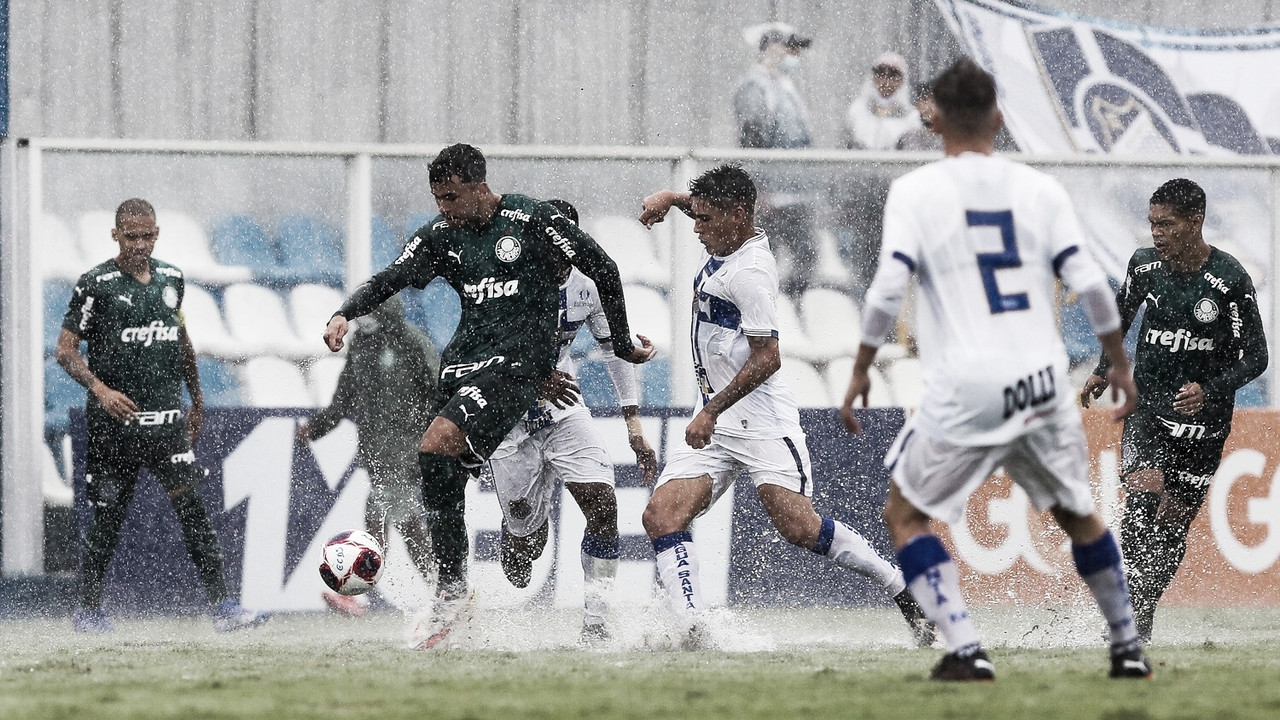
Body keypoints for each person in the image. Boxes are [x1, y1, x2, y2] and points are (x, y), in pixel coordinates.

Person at [841, 58, 1151, 682]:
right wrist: (1118, 361)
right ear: (1000, 118)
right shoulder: (1041, 190)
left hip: (967, 385)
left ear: (932, 122)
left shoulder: (916, 191)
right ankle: (1127, 646)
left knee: (904, 514)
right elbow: (1090, 281)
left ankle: (964, 647)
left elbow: (885, 290)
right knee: (1078, 513)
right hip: (1042, 381)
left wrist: (861, 369)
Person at [323, 144, 654, 650]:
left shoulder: (532, 219)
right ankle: (459, 585)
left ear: (480, 186)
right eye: (437, 198)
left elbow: (603, 265)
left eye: (451, 196)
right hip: (466, 365)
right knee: (446, 472)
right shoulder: (442, 234)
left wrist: (626, 343)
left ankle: (458, 593)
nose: (444, 208)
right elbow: (392, 275)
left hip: (522, 369)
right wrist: (345, 311)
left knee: (437, 446)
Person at [638, 165, 934, 649]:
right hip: (714, 416)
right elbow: (700, 206)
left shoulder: (750, 273)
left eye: (706, 220)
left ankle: (900, 588)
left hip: (759, 422)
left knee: (800, 528)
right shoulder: (728, 232)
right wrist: (671, 197)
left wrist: (711, 412)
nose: (697, 228)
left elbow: (769, 357)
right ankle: (690, 625)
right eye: (697, 216)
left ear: (737, 215)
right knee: (661, 516)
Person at [56, 198, 269, 634]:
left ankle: (224, 608)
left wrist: (197, 397)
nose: (139, 244)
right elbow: (65, 350)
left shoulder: (172, 279)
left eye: (147, 235)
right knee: (108, 516)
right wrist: (101, 389)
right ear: (115, 235)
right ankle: (88, 609)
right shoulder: (95, 283)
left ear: (157, 234)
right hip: (115, 425)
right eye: (131, 236)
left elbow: (181, 339)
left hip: (168, 420)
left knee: (193, 510)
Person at [1080, 178, 1268, 643]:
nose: (1156, 234)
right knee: (1143, 499)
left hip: (1205, 423)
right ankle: (1123, 607)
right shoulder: (1144, 267)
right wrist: (1104, 368)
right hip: (1148, 407)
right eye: (1152, 224)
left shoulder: (1228, 281)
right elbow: (1120, 320)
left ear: (1195, 221)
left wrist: (1210, 388)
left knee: (1170, 528)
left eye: (1166, 224)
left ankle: (1141, 610)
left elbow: (1257, 357)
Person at [488, 199, 658, 644]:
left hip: (562, 407)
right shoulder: (506, 280)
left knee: (603, 507)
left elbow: (612, 349)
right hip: (509, 413)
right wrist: (529, 377)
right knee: (524, 553)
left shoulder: (590, 283)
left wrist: (634, 424)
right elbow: (480, 351)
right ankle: (521, 524)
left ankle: (595, 623)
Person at [297, 296, 441, 618]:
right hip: (377, 452)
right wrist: (315, 429)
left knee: (377, 510)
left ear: (387, 312)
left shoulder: (413, 342)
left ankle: (359, 591)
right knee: (407, 525)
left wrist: (439, 438)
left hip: (408, 450)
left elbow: (440, 389)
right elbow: (344, 397)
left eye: (370, 315)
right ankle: (443, 587)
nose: (364, 322)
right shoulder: (362, 345)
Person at [733, 21, 819, 300]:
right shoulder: (754, 86)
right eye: (789, 48)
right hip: (771, 196)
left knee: (806, 259)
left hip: (796, 194)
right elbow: (752, 139)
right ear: (770, 48)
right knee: (765, 265)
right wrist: (759, 189)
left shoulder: (786, 86)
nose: (795, 55)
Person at [842, 52, 922, 151]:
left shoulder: (911, 116)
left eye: (892, 76)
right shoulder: (858, 110)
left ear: (902, 81)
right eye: (881, 74)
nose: (886, 82)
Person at [894, 82, 943, 152]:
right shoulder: (907, 139)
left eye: (933, 101)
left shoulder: (952, 139)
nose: (928, 106)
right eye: (924, 100)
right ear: (917, 105)